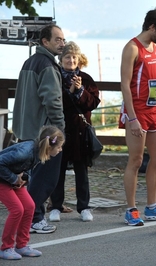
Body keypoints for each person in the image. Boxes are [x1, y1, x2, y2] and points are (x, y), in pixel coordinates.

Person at [119, 8, 156, 226]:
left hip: (153, 110)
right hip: (136, 110)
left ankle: (152, 205)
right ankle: (131, 209)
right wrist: (131, 118)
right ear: (152, 27)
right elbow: (124, 84)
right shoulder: (132, 48)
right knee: (136, 160)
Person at [12, 24, 66, 234]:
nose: (62, 43)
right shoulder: (47, 65)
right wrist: (59, 130)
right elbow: (52, 101)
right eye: (58, 39)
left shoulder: (30, 61)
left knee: (31, 177)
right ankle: (34, 219)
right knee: (46, 178)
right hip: (45, 134)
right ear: (45, 41)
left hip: (26, 131)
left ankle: (29, 217)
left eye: (63, 39)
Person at [48, 41, 101, 223]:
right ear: (61, 59)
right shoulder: (55, 77)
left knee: (81, 171)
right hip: (59, 130)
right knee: (57, 170)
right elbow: (53, 102)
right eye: (67, 57)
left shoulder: (85, 78)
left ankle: (84, 207)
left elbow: (93, 103)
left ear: (79, 59)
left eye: (74, 57)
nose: (71, 60)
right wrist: (70, 91)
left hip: (80, 131)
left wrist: (80, 91)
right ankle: (55, 206)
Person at [0, 125, 64, 260]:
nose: (60, 150)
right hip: (2, 179)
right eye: (59, 147)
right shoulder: (25, 151)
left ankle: (22, 245)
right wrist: (13, 178)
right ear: (50, 146)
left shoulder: (39, 151)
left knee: (29, 206)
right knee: (17, 210)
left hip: (13, 179)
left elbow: (27, 168)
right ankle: (6, 247)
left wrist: (24, 179)